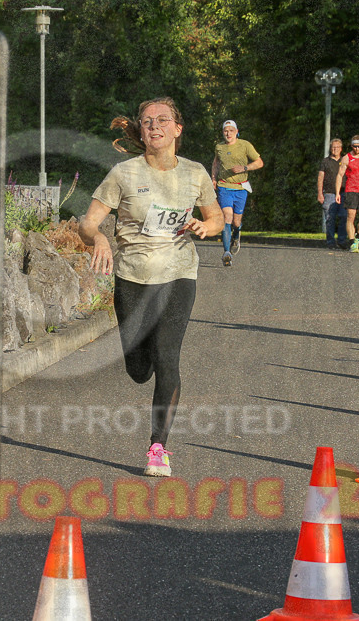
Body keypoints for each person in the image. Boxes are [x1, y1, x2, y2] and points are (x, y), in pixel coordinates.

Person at [78, 97, 223, 477]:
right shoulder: (124, 174)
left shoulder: (195, 173)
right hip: (133, 277)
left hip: (179, 273)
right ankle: (138, 362)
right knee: (140, 369)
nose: (154, 126)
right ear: (140, 132)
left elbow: (216, 217)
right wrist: (100, 238)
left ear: (177, 128)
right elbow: (87, 222)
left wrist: (207, 226)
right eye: (146, 121)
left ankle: (158, 447)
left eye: (162, 120)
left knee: (167, 357)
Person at [210, 119, 263, 266]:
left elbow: (259, 162)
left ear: (236, 132)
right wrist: (213, 178)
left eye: (231, 131)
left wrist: (244, 168)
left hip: (240, 188)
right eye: (225, 131)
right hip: (224, 186)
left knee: (236, 221)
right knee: (227, 216)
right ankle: (227, 253)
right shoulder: (219, 147)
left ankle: (236, 234)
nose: (228, 134)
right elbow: (216, 163)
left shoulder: (245, 145)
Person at [335, 135, 359, 252]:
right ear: (351, 146)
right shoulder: (346, 158)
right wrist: (337, 193)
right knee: (350, 217)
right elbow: (340, 175)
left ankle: (358, 237)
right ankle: (352, 242)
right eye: (355, 146)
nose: (357, 149)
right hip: (351, 190)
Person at [317, 138, 347, 248]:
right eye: (333, 147)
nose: (335, 149)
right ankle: (330, 242)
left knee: (344, 217)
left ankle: (342, 241)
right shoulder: (325, 161)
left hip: (343, 193)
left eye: (337, 147)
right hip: (329, 193)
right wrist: (320, 193)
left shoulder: (345, 160)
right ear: (330, 149)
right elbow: (320, 177)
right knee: (330, 219)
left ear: (341, 148)